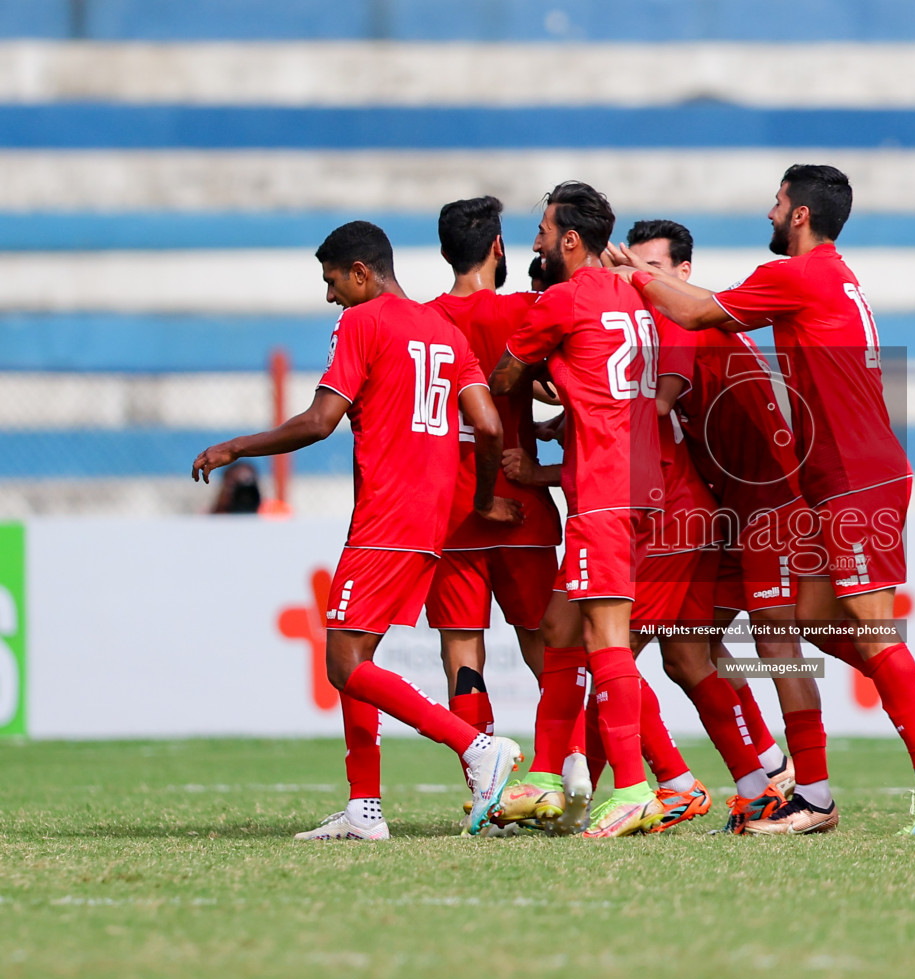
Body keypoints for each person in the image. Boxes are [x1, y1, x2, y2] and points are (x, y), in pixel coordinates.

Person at [607, 165, 915, 835]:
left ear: (800, 214)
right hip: (829, 477)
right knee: (804, 624)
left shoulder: (793, 275)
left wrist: (625, 273)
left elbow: (690, 309)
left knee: (846, 630)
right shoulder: (832, 274)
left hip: (847, 477)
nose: (770, 212)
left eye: (777, 203)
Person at [191, 220, 522, 840]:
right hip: (430, 520)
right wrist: (479, 499)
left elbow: (321, 421)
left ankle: (477, 749)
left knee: (343, 663)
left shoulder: (363, 322)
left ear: (361, 272)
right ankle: (364, 808)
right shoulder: (444, 330)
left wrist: (237, 446)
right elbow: (490, 425)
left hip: (386, 515)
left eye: (332, 281)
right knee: (358, 653)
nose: (330, 297)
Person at [489, 181, 668, 839]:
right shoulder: (631, 293)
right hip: (639, 481)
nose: (535, 241)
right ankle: (541, 775)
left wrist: (537, 372)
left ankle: (633, 785)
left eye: (542, 230)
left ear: (569, 239)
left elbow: (504, 377)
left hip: (603, 486)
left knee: (605, 639)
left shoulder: (563, 300)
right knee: (561, 629)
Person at [619, 218, 805, 832]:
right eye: (633, 268)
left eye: (650, 270)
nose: (639, 281)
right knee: (688, 655)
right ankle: (766, 776)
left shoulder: (682, 322)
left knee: (613, 650)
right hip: (726, 511)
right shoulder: (683, 323)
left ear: (683, 273)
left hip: (762, 509)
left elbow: (653, 408)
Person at [422, 196, 572, 831]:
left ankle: (485, 780)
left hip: (451, 510)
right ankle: (566, 777)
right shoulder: (526, 309)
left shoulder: (421, 319)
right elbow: (571, 387)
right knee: (550, 648)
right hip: (524, 507)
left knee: (462, 650)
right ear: (498, 249)